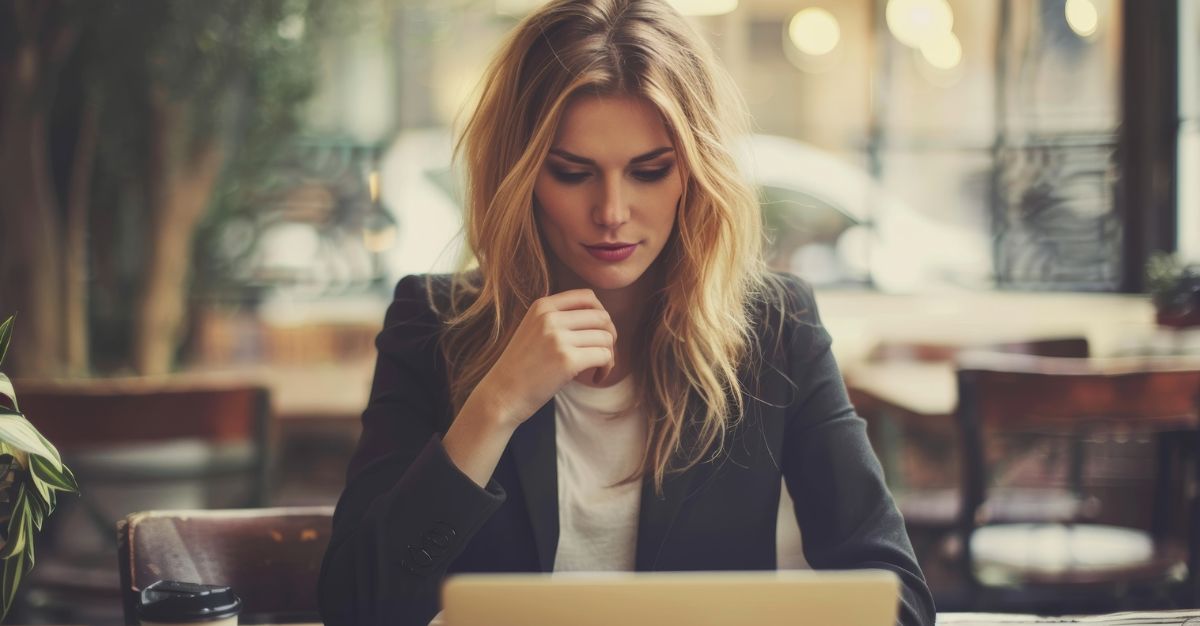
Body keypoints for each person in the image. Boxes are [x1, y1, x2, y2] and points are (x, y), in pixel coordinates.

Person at [318, 1, 936, 625]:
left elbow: (898, 598)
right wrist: (496, 403)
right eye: (572, 172)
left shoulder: (777, 329)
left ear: (694, 174)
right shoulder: (431, 322)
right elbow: (356, 610)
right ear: (522, 175)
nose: (612, 211)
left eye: (649, 171)